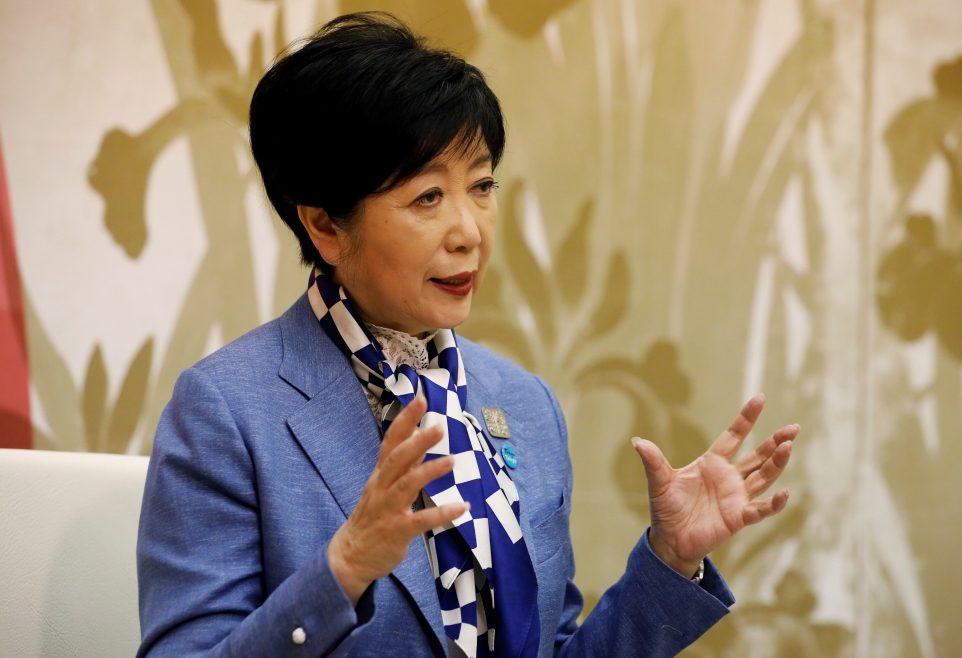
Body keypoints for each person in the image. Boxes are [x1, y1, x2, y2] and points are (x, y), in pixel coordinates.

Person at [136, 12, 798, 658]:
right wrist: (344, 567)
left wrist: (670, 560)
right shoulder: (226, 411)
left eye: (481, 186)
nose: (470, 231)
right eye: (428, 197)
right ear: (325, 226)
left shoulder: (524, 403)